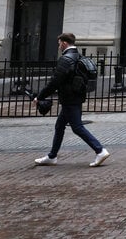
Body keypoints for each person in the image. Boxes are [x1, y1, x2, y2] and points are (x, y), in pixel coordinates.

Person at [33, 32, 110, 167]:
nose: (58, 47)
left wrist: (40, 97)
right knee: (60, 126)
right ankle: (52, 156)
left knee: (77, 127)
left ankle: (100, 150)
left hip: (70, 98)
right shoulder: (78, 56)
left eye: (59, 44)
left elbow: (55, 82)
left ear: (64, 43)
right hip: (77, 96)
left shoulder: (65, 59)